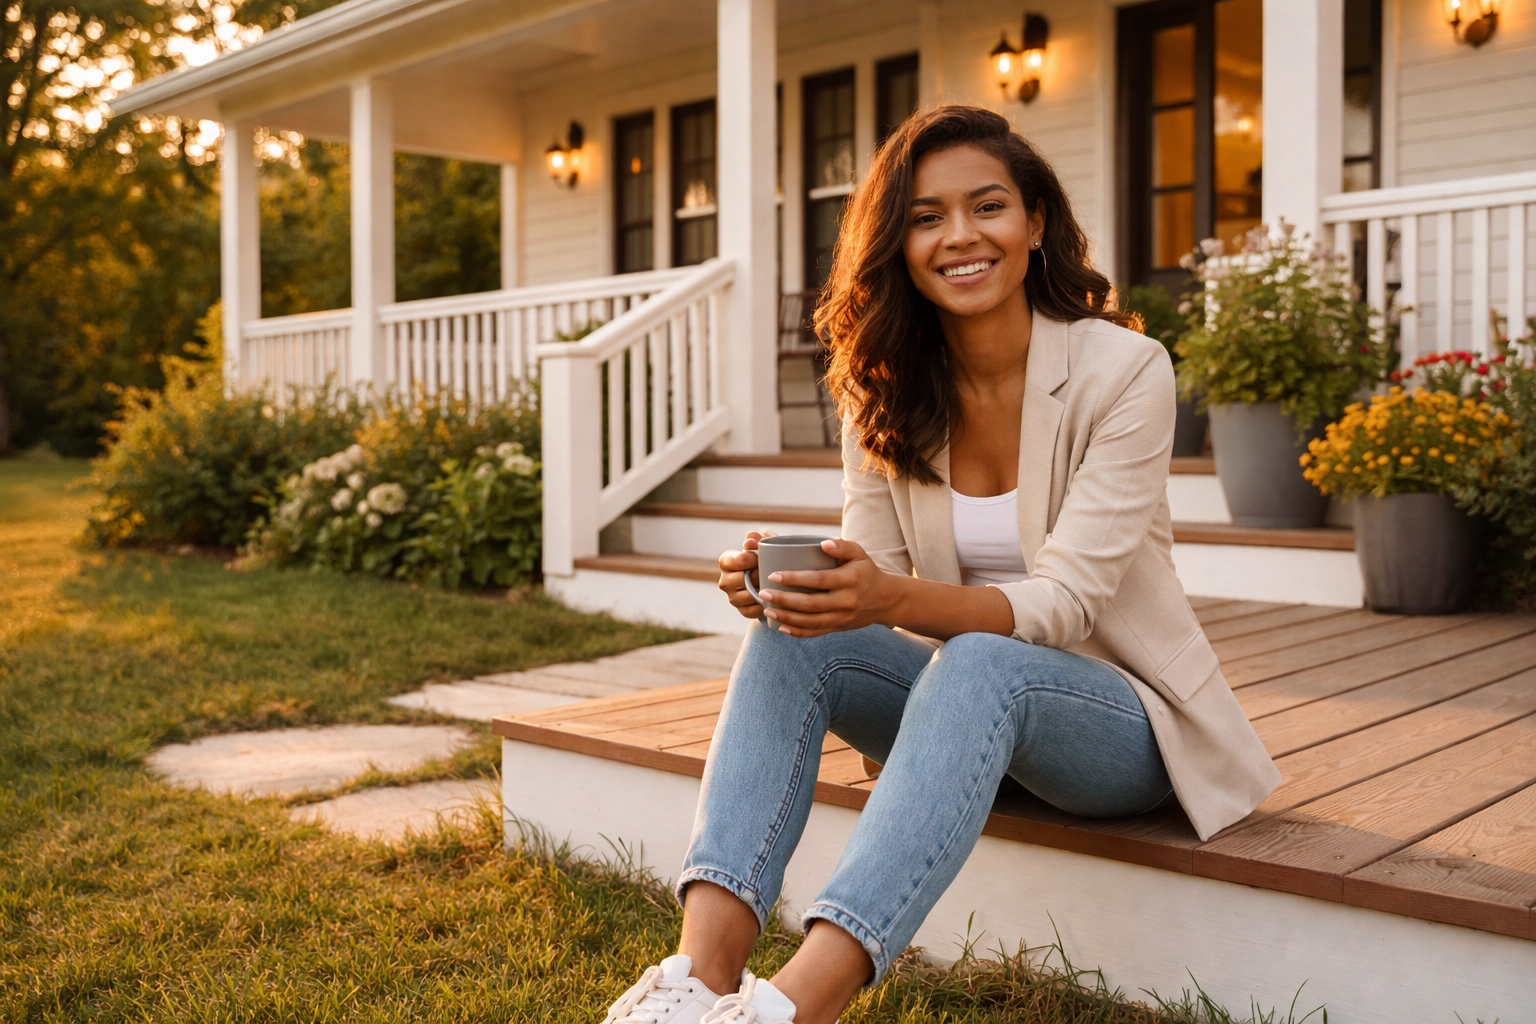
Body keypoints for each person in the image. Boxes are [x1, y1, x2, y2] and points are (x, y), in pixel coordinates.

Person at [599, 104, 1279, 1024]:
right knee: (792, 641)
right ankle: (698, 983)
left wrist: (882, 593)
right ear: (898, 243)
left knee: (984, 660)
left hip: (1121, 727)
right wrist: (801, 582)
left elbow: (1068, 604)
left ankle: (794, 1009)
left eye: (987, 206)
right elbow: (872, 567)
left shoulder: (1126, 370)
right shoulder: (883, 388)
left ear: (1035, 224)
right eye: (925, 217)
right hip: (964, 714)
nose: (959, 236)